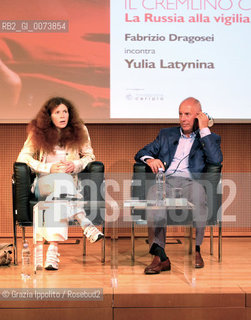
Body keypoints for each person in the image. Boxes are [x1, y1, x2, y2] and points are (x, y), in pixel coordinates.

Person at [135, 97, 223, 274]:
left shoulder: (208, 138)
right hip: (166, 181)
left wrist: (204, 129)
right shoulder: (166, 134)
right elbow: (141, 153)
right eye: (180, 114)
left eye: (188, 114)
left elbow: (216, 160)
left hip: (191, 182)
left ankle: (196, 249)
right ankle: (159, 256)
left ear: (199, 116)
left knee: (199, 196)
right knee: (154, 197)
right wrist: (151, 159)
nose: (183, 118)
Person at [17, 97, 104, 270]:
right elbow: (23, 157)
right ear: (49, 116)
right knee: (63, 182)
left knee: (59, 196)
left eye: (65, 111)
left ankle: (52, 251)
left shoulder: (80, 129)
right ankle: (84, 221)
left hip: (68, 184)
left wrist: (76, 165)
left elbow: (89, 156)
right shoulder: (38, 131)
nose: (63, 116)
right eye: (57, 112)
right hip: (43, 182)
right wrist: (48, 168)